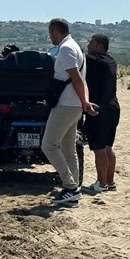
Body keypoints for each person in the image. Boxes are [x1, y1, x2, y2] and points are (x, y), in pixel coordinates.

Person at [41, 18, 98, 206]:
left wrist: (85, 102)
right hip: (74, 106)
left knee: (48, 145)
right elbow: (82, 80)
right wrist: (85, 102)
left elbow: (76, 79)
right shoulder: (75, 47)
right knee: (68, 149)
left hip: (66, 105)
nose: (50, 37)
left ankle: (70, 186)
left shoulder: (66, 49)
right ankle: (73, 190)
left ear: (56, 31)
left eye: (50, 33)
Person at [80, 34, 119, 194]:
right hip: (113, 107)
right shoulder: (111, 61)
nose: (89, 45)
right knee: (108, 147)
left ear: (99, 45)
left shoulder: (92, 60)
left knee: (99, 148)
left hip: (98, 108)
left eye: (91, 42)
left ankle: (101, 183)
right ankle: (110, 182)